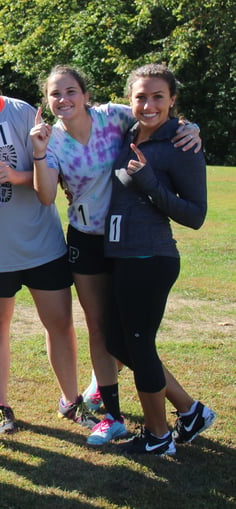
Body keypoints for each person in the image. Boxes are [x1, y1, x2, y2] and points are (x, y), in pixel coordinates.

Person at [29, 65, 202, 445]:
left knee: (129, 336)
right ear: (48, 100)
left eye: (71, 91)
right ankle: (112, 415)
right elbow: (45, 196)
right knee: (100, 329)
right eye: (55, 94)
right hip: (86, 238)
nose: (64, 100)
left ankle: (183, 411)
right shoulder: (51, 140)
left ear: (86, 95)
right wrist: (39, 154)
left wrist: (192, 127)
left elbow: (156, 116)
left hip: (129, 241)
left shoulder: (113, 117)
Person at [0, 44, 97, 435]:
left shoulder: (23, 111)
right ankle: (1, 405)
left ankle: (70, 400)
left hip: (40, 241)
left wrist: (17, 177)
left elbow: (50, 177)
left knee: (60, 322)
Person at [102, 64, 214, 456]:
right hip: (120, 255)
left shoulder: (182, 146)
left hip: (151, 258)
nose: (148, 105)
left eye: (158, 97)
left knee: (138, 344)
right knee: (120, 342)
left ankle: (158, 435)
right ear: (129, 99)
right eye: (141, 97)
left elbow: (196, 215)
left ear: (172, 101)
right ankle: (190, 410)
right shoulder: (126, 133)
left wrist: (150, 184)